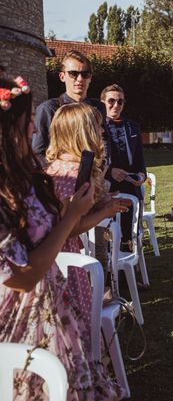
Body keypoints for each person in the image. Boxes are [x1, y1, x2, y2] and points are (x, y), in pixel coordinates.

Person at [0, 74, 123, 399]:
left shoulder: (23, 178)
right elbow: (22, 276)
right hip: (20, 318)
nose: (34, 130)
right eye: (27, 122)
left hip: (53, 303)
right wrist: (72, 217)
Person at [45, 103, 130, 330]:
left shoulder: (54, 167)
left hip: (53, 255)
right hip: (66, 260)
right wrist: (106, 211)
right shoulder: (73, 172)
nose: (102, 132)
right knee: (77, 322)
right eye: (97, 127)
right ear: (82, 132)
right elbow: (70, 227)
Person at [32, 50, 105, 165]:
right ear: (62, 76)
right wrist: (58, 175)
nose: (80, 79)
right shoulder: (49, 109)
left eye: (85, 74)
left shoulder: (98, 108)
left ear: (90, 78)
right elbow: (37, 152)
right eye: (73, 74)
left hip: (93, 176)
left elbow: (105, 144)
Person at [101, 84, 147, 247]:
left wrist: (142, 174)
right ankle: (110, 267)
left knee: (130, 231)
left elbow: (139, 156)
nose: (115, 105)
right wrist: (110, 172)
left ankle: (129, 263)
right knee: (109, 232)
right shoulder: (97, 127)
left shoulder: (132, 126)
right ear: (103, 102)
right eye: (111, 101)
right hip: (108, 187)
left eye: (120, 102)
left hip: (131, 186)